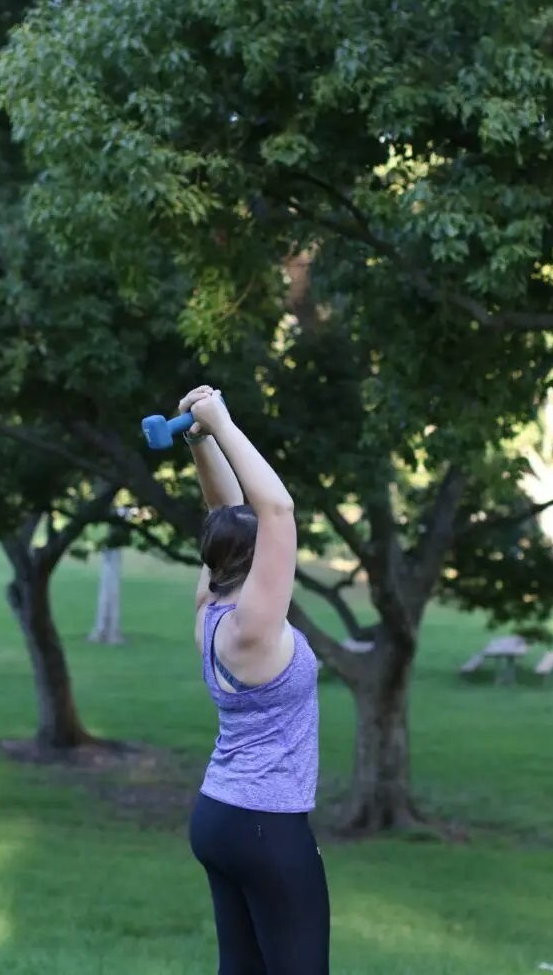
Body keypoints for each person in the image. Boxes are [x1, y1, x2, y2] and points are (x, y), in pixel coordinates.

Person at [180, 385, 330, 975]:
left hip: (218, 817)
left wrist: (202, 442)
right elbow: (276, 509)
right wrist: (220, 417)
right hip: (267, 828)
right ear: (258, 559)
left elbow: (228, 514)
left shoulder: (210, 618)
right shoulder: (257, 632)